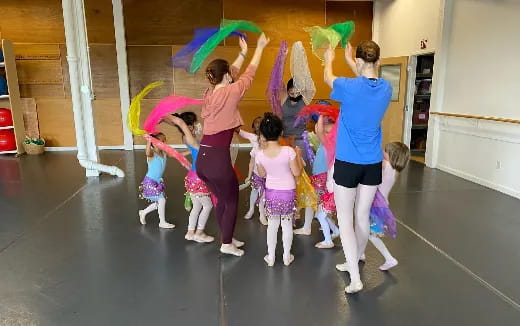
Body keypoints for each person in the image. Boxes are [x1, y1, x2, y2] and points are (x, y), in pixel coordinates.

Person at [324, 40, 392, 293]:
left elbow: (328, 76)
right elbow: (365, 78)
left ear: (361, 62)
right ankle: (356, 258)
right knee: (361, 217)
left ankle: (355, 277)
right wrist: (353, 60)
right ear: (379, 62)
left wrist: (332, 57)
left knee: (345, 219)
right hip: (372, 164)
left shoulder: (347, 87)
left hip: (348, 163)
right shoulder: (386, 88)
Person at [195, 33, 270, 257]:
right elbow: (248, 74)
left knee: (221, 200)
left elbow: (233, 73)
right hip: (218, 159)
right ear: (226, 76)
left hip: (203, 159)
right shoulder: (232, 91)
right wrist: (260, 48)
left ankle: (226, 236)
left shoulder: (209, 93)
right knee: (232, 200)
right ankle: (226, 243)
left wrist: (243, 52)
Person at [337, 142, 410, 271]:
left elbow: (371, 161)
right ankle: (360, 254)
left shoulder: (386, 165)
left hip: (375, 205)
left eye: (385, 151)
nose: (382, 152)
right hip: (381, 205)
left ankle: (388, 258)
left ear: (392, 155)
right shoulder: (394, 169)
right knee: (364, 230)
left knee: (368, 233)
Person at [255, 113, 304, 266]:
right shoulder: (288, 151)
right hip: (288, 192)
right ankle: (286, 256)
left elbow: (262, 174)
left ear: (262, 134)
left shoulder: (260, 154)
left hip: (271, 193)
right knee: (287, 224)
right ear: (281, 132)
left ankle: (270, 257)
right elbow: (297, 172)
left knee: (273, 225)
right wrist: (298, 155)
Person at [168, 112, 215, 243]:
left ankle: (190, 232)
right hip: (198, 177)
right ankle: (199, 232)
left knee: (197, 207)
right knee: (208, 206)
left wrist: (182, 153)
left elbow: (195, 149)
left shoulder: (189, 138)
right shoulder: (189, 137)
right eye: (194, 123)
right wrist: (166, 116)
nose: (197, 125)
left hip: (193, 176)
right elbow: (181, 124)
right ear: (188, 126)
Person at [138, 133, 175, 229]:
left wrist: (191, 151)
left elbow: (177, 155)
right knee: (161, 200)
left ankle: (143, 212)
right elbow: (147, 152)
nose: (164, 142)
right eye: (162, 141)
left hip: (158, 181)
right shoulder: (151, 154)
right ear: (155, 143)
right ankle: (162, 222)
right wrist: (149, 140)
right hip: (150, 182)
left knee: (159, 202)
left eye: (164, 140)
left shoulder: (164, 153)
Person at [240, 117, 267, 224]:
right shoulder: (254, 144)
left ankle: (262, 213)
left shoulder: (270, 142)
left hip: (268, 174)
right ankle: (251, 209)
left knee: (264, 194)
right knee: (255, 190)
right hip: (257, 173)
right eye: (256, 123)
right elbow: (251, 162)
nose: (258, 125)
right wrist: (248, 175)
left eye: (260, 123)